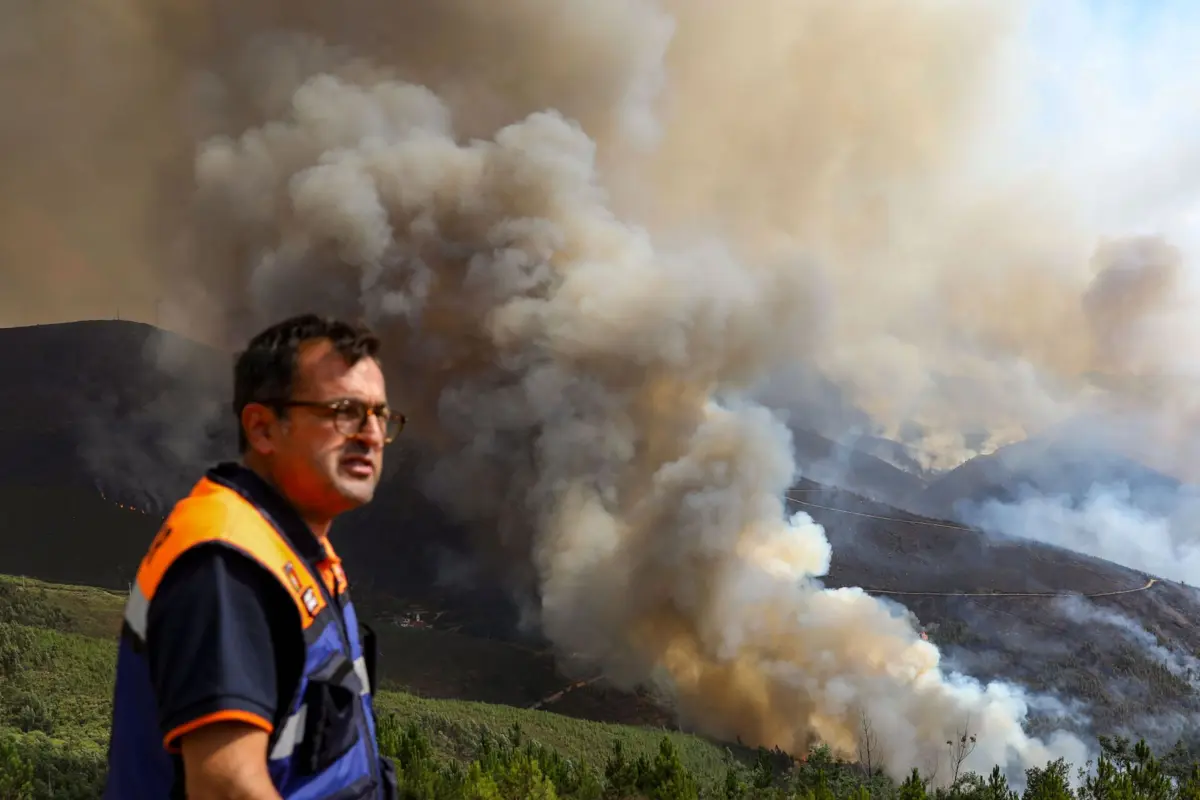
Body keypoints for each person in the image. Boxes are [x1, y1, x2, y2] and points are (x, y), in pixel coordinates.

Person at [104, 313, 405, 800]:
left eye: (380, 415)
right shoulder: (226, 564)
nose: (370, 434)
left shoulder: (296, 551)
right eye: (344, 411)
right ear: (263, 428)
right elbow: (226, 784)